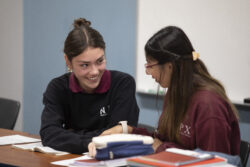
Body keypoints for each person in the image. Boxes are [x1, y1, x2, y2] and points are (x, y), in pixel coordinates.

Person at [89, 26, 240, 156]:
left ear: (169, 66)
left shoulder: (209, 105)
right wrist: (127, 131)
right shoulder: (175, 93)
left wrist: (162, 148)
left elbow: (213, 162)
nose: (148, 72)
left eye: (150, 65)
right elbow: (161, 139)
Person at [40, 18, 139, 154]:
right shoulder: (57, 88)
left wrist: (71, 135)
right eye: (84, 65)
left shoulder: (123, 84)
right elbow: (49, 133)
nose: (94, 71)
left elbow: (118, 135)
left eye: (100, 61)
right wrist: (91, 142)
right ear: (68, 62)